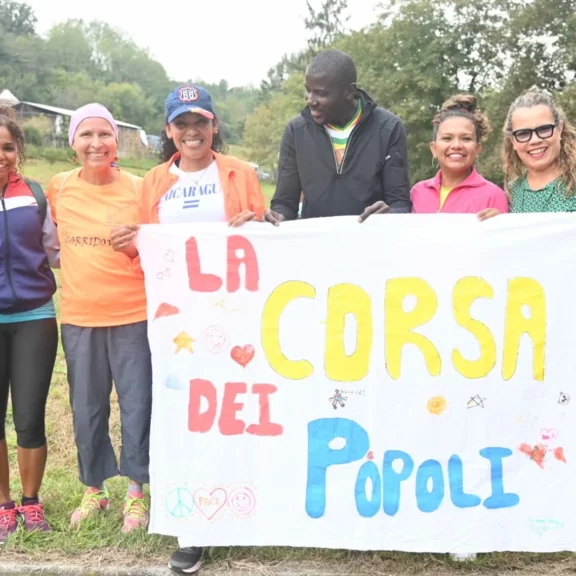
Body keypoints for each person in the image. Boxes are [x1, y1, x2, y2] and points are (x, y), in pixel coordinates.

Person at [110, 85, 266, 574]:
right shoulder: (155, 180)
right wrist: (128, 243)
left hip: (235, 316)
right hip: (177, 323)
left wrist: (257, 223)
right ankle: (192, 527)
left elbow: (267, 233)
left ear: (214, 125)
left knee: (236, 408)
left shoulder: (240, 173)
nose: (192, 131)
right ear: (169, 129)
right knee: (185, 413)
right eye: (182, 123)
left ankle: (246, 505)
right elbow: (143, 246)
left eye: (200, 121)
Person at [45, 103, 152, 533]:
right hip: (79, 317)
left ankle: (136, 493)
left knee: (137, 406)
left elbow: (161, 250)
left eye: (103, 134)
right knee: (86, 407)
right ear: (73, 144)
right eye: (86, 135)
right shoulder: (58, 188)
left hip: (134, 314)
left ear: (116, 142)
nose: (95, 143)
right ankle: (94, 490)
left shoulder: (141, 188)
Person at [0, 107, 59, 543]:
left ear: (17, 150)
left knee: (30, 418)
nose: (1, 155)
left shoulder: (36, 196)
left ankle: (31, 501)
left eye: (6, 147)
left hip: (36, 318)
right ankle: (4, 506)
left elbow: (57, 250)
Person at [265, 48, 411, 224]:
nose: (310, 100)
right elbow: (284, 203)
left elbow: (400, 204)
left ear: (349, 92)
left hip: (370, 246)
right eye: (308, 90)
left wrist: (390, 215)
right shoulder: (296, 131)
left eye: (321, 93)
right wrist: (277, 216)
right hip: (314, 246)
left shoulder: (389, 128)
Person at [478, 89, 576, 219]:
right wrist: (499, 224)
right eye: (523, 134)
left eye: (544, 129)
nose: (535, 140)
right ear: (513, 141)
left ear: (560, 129)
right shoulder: (512, 192)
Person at [411, 95, 509, 214]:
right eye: (447, 138)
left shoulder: (493, 195)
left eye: (466, 139)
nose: (456, 145)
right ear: (434, 148)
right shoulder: (418, 192)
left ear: (478, 148)